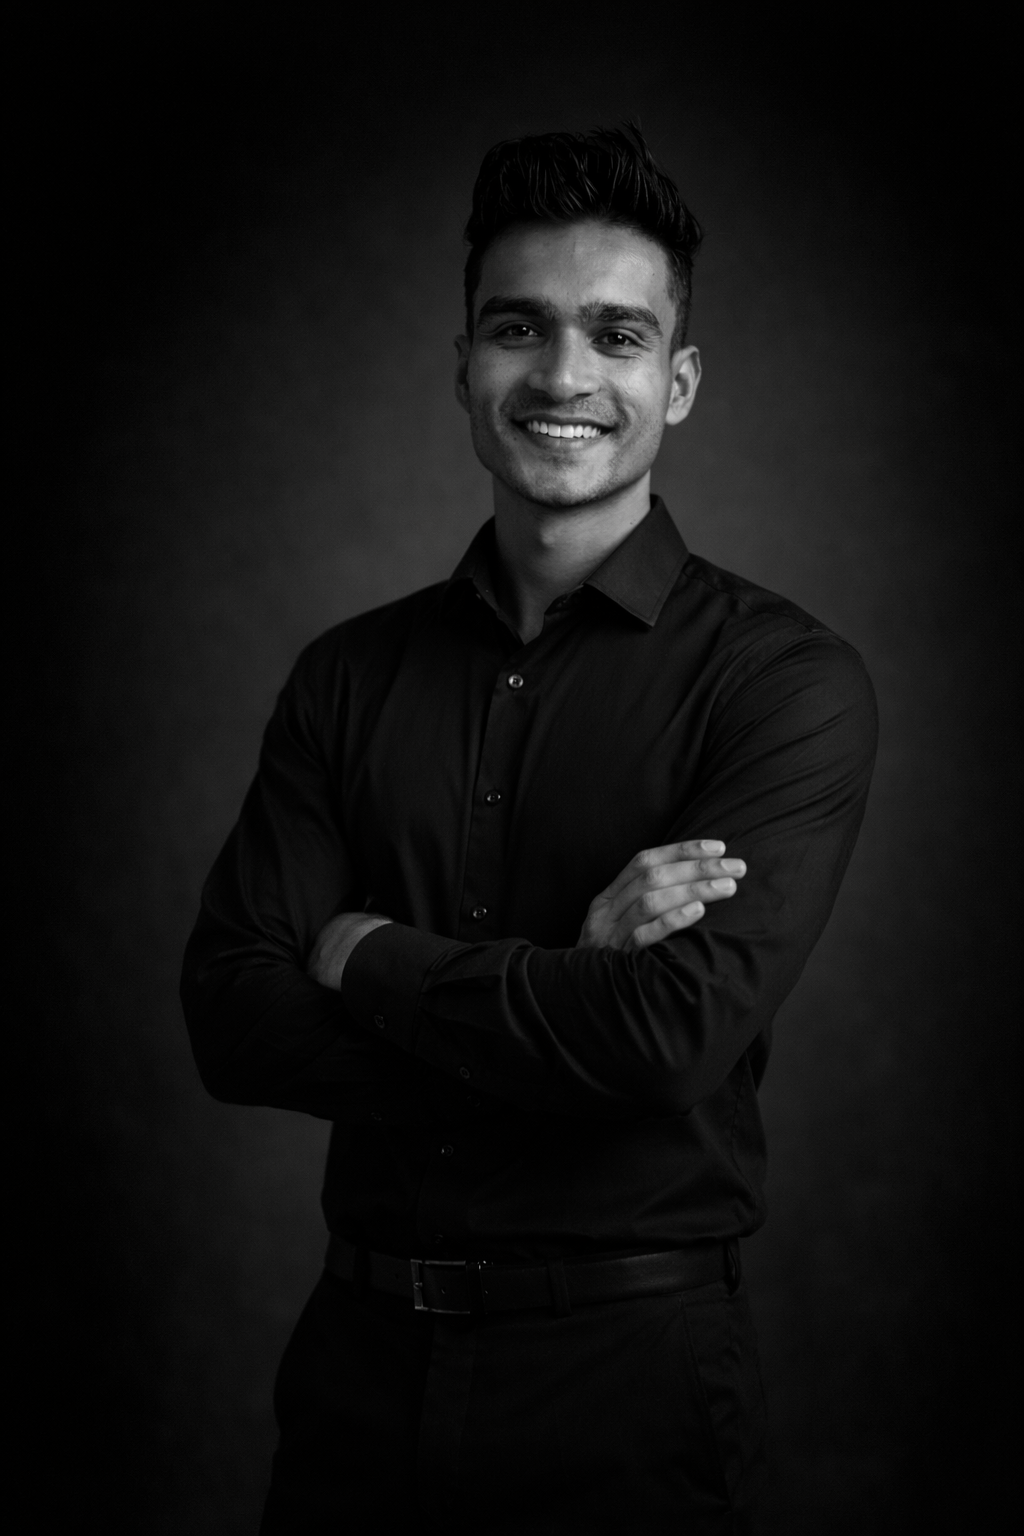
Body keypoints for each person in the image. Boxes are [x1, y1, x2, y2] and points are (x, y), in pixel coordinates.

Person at [181, 124, 877, 1534]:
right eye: (519, 329)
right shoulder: (345, 677)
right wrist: (573, 993)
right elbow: (234, 1021)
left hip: (633, 1402)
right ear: (464, 366)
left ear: (679, 381)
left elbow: (669, 1042)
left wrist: (367, 957)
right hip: (356, 1391)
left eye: (617, 335)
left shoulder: (784, 683)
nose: (564, 377)